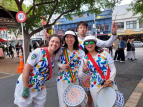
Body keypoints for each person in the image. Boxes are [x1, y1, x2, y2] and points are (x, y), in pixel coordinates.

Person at [77, 21, 118, 107]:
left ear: (95, 43)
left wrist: (113, 33)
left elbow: (107, 43)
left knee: (112, 103)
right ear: (77, 29)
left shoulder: (103, 52)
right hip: (87, 72)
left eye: (84, 27)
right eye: (81, 27)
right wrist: (83, 70)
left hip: (107, 80)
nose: (89, 44)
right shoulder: (74, 40)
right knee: (91, 99)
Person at [14, 34, 61, 107]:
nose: (54, 44)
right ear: (49, 42)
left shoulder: (53, 56)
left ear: (59, 45)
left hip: (40, 88)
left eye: (57, 42)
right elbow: (26, 69)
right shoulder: (38, 52)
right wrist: (25, 88)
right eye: (53, 41)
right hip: (27, 86)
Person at [54, 30, 85, 107]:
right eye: (67, 37)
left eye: (71, 37)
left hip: (75, 80)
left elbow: (82, 65)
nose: (69, 39)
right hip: (62, 80)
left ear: (75, 39)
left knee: (74, 102)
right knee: (63, 102)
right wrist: (61, 65)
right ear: (64, 39)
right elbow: (54, 60)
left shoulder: (80, 52)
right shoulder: (60, 50)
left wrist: (80, 74)